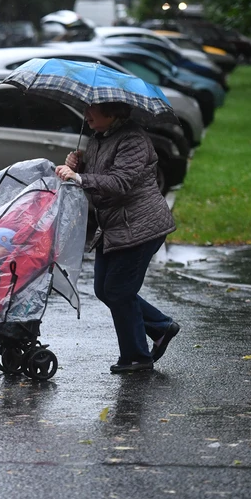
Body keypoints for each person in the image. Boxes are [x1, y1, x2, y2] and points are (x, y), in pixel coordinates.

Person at [56, 102, 180, 374]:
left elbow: (120, 182)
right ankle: (160, 327)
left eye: (92, 111)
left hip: (140, 227)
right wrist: (80, 163)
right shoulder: (100, 137)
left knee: (119, 290)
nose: (86, 115)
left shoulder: (133, 140)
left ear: (112, 114)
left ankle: (137, 356)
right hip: (115, 227)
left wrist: (79, 177)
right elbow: (102, 171)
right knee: (104, 288)